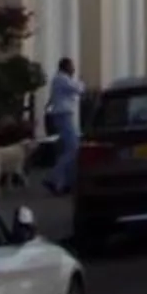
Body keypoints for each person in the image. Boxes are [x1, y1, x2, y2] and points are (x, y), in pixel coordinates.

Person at [44, 57, 83, 196]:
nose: (74, 68)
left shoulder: (59, 79)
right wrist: (76, 79)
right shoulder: (63, 79)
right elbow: (79, 89)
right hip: (64, 115)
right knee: (73, 148)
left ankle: (65, 183)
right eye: (72, 66)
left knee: (69, 149)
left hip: (63, 114)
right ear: (66, 67)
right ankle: (54, 178)